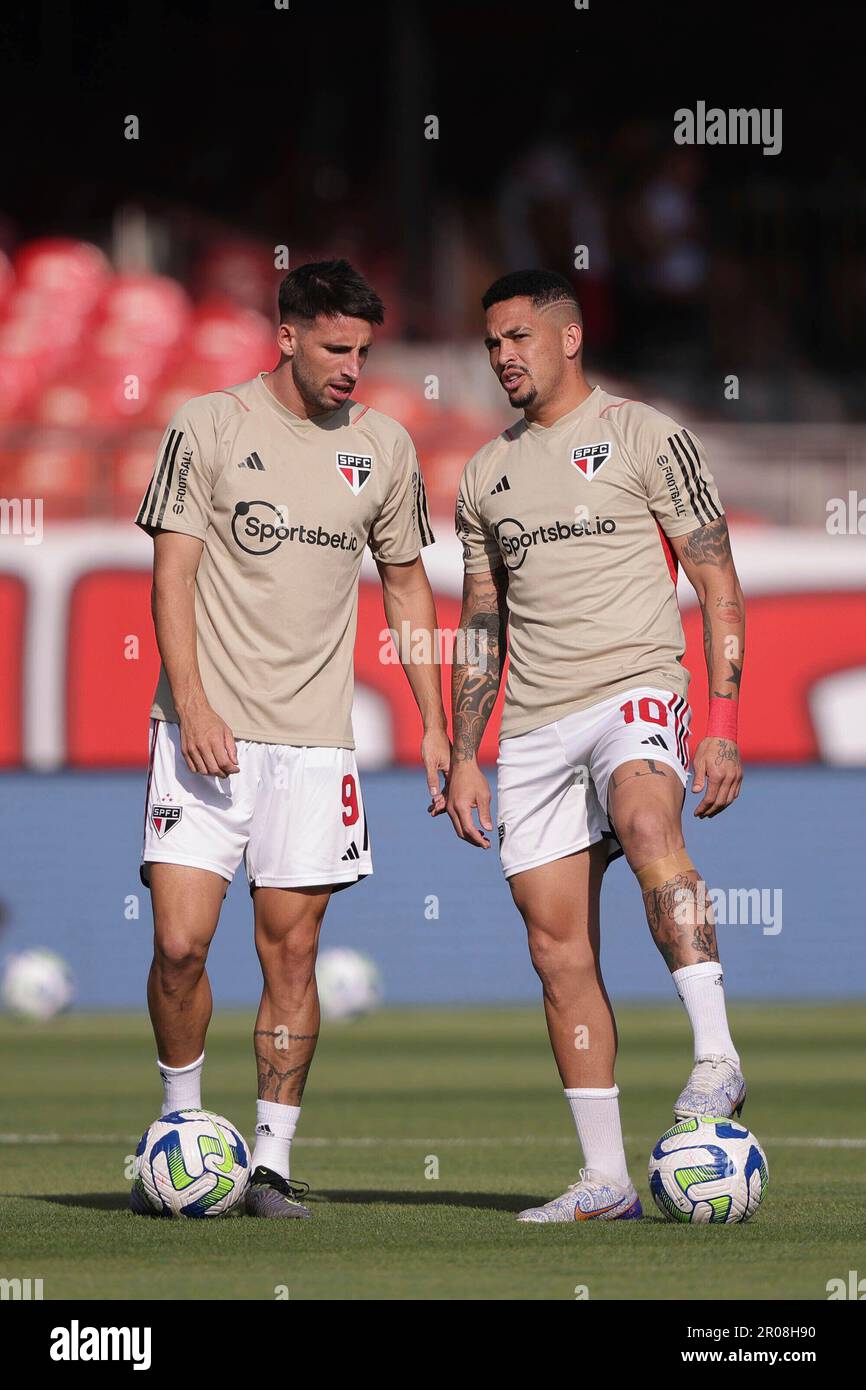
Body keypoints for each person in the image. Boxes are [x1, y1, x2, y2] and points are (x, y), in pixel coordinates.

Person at [133, 259, 448, 1218]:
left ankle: (268, 1166)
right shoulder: (209, 425)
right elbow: (173, 573)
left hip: (316, 747)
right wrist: (191, 705)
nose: (353, 367)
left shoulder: (385, 447)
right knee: (182, 944)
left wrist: (438, 724)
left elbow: (405, 585)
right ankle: (181, 1130)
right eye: (336, 348)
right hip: (204, 733)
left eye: (364, 350)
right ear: (287, 336)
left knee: (293, 957)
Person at [441, 269, 745, 1223]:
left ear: (569, 338)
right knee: (555, 946)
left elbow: (719, 581)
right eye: (492, 343)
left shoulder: (647, 435)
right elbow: (481, 623)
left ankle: (716, 1057)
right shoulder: (483, 475)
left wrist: (724, 726)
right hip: (532, 725)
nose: (503, 357)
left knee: (650, 821)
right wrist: (462, 754)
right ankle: (607, 1180)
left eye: (519, 337)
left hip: (635, 688)